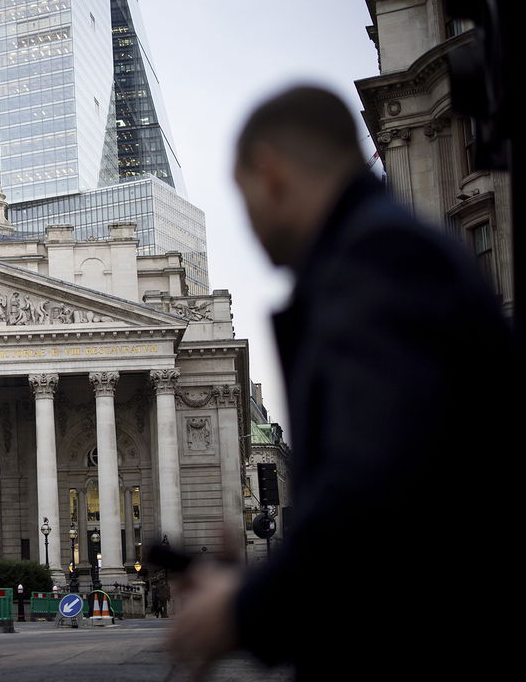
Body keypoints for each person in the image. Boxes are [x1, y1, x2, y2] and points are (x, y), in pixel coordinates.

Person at [167, 86, 517, 680]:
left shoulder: (379, 261)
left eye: (242, 197)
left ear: (270, 173)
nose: (249, 220)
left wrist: (242, 609)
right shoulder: (388, 252)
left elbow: (377, 495)